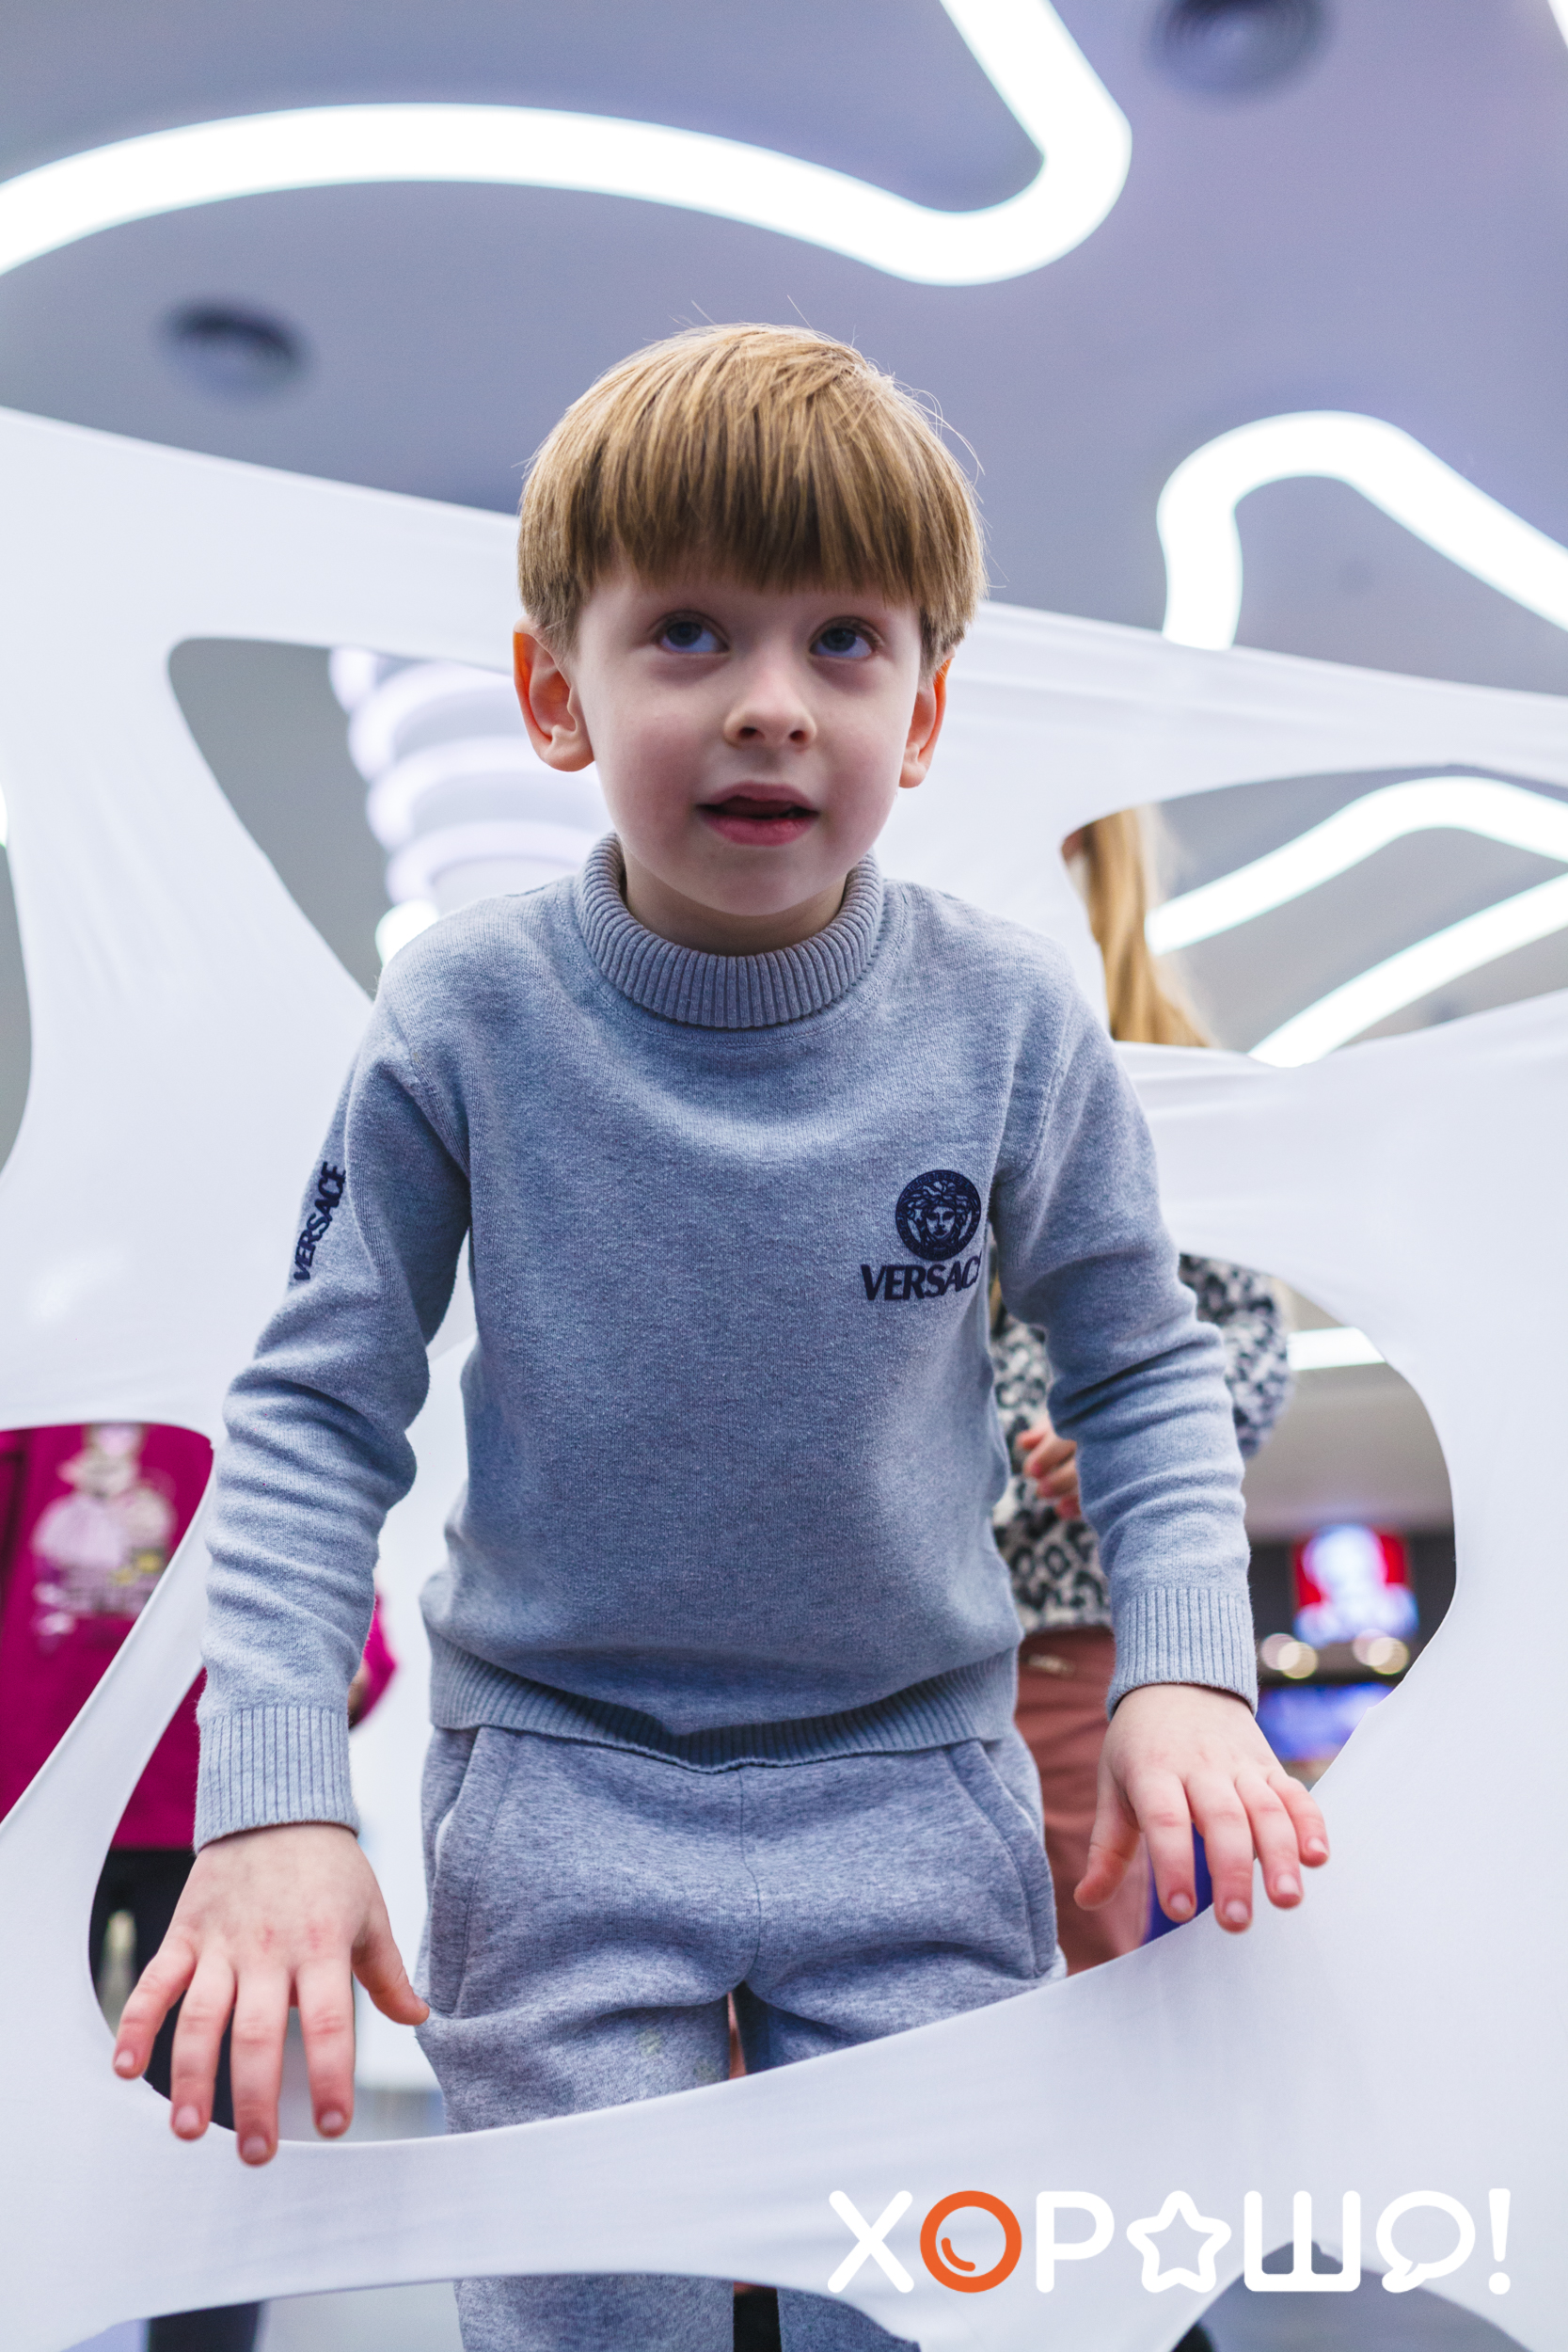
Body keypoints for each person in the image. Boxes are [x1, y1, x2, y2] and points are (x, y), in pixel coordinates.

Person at [112, 325, 1329, 2352]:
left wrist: (1186, 1669)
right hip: (563, 1788)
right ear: (551, 691)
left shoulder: (1009, 1025)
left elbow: (1138, 1366)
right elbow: (317, 1414)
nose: (770, 702)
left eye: (841, 642)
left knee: (939, 2316)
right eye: (687, 631)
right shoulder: (464, 1019)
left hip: (913, 1779)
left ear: (920, 711)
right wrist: (275, 1792)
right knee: (595, 2315)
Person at [0, 1420, 395, 2352]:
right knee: (20, 2093)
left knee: (209, 2108)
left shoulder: (250, 1400)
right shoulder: (41, 1411)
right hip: (38, 1803)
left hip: (212, 1817)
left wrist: (342, 1669)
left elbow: (321, 1554)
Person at [990, 812, 1295, 1974]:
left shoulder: (1171, 1073)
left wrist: (1121, 1437)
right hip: (888, 1624)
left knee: (1072, 1952)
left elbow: (1243, 1335)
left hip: (1066, 1628)